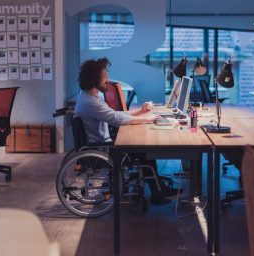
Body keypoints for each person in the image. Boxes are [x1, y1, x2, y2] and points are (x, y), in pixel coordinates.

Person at [74, 58, 181, 205]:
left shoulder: (89, 96)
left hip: (101, 145)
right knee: (143, 150)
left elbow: (115, 115)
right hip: (102, 150)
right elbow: (116, 118)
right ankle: (158, 191)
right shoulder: (91, 102)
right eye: (105, 76)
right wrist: (148, 119)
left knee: (143, 149)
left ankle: (158, 190)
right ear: (95, 79)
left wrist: (141, 112)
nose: (108, 80)